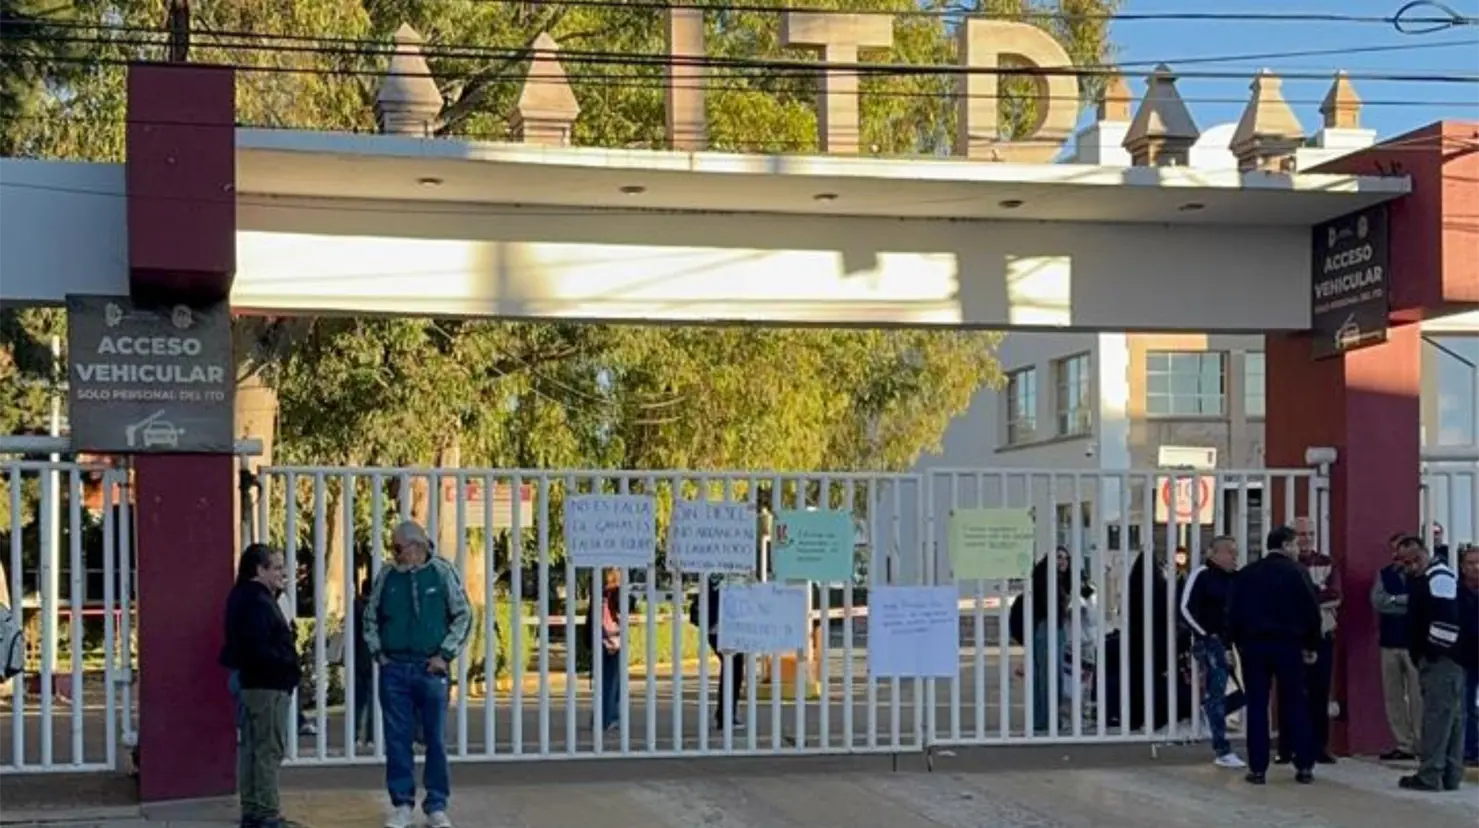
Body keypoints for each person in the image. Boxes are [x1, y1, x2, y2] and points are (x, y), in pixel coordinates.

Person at [364, 520, 472, 828]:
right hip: (395, 667)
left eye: (398, 548)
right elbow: (370, 616)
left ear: (417, 546)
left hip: (430, 668)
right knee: (397, 739)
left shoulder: (441, 572)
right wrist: (379, 654)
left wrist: (445, 653)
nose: (394, 554)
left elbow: (463, 614)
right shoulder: (387, 576)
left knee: (435, 738)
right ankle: (402, 803)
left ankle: (436, 804)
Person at [1226, 525, 1321, 786]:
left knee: (1257, 706)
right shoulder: (1297, 573)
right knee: (1296, 703)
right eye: (1295, 545)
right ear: (1287, 545)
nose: (1297, 549)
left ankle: (1258, 768)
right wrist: (1312, 645)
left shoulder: (1247, 575)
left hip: (1254, 647)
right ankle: (1303, 765)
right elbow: (1312, 611)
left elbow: (1232, 612)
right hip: (1289, 645)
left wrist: (1235, 643)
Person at [220, 544, 301, 828]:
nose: (283, 573)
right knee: (267, 749)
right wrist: (285, 668)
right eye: (277, 567)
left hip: (254, 684)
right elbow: (260, 647)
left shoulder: (242, 596)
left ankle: (253, 808)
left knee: (253, 748)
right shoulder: (257, 601)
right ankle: (266, 811)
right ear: (260, 569)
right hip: (267, 686)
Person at [1396, 535, 1466, 792]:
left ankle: (1430, 775)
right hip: (1448, 659)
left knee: (1437, 718)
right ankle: (1449, 774)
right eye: (1406, 562)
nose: (1412, 566)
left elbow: (1447, 618)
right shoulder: (1431, 577)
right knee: (1451, 718)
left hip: (1443, 661)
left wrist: (1432, 652)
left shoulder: (1439, 578)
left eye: (1415, 560)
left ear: (1425, 553)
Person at [1277, 516, 1339, 765]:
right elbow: (1283, 598)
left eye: (1310, 534)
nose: (1307, 539)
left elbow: (1335, 596)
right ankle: (1286, 746)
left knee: (1319, 692)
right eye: (1301, 534)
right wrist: (1316, 591)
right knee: (1288, 693)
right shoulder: (1283, 564)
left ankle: (1319, 746)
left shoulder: (1326, 562)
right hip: (1291, 638)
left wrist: (1306, 596)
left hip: (1323, 635)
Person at [1179, 535, 1244, 769]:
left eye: (1235, 551)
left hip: (1231, 643)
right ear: (1213, 553)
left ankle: (1213, 715)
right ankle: (1222, 748)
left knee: (1237, 691)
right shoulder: (1202, 574)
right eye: (1229, 551)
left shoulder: (1236, 579)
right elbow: (1185, 608)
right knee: (1218, 689)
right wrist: (1206, 635)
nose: (1234, 556)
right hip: (1210, 642)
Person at [1373, 530, 1421, 762]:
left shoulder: (1421, 574)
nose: (1396, 554)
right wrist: (1404, 602)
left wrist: (1395, 601)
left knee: (1417, 696)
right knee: (1393, 696)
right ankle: (1404, 743)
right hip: (1389, 642)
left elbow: (1420, 602)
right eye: (1393, 549)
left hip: (1413, 643)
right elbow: (1378, 601)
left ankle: (1421, 742)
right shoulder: (1385, 574)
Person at [1028, 547, 1073, 733]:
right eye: (1059, 558)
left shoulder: (1055, 580)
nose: (1063, 561)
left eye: (1066, 558)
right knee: (1050, 677)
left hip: (1049, 628)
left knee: (1044, 677)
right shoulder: (1048, 581)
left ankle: (1042, 720)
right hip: (1049, 628)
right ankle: (1050, 719)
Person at [696, 575, 746, 731]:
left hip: (726, 625)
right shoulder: (718, 573)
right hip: (719, 625)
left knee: (733, 667)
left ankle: (725, 714)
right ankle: (725, 715)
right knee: (733, 667)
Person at [586, 568, 624, 733]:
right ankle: (608, 718)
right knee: (611, 683)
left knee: (605, 683)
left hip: (599, 639)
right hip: (611, 641)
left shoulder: (598, 595)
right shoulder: (614, 594)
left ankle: (602, 717)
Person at [1458, 545, 1479, 767]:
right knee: (1465, 706)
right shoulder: (1457, 592)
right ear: (1463, 567)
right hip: (1465, 656)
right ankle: (1469, 749)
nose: (1476, 567)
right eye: (1471, 563)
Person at [352, 577, 375, 749]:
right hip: (373, 657)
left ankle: (354, 735)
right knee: (373, 699)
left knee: (358, 700)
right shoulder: (377, 607)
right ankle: (371, 737)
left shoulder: (356, 606)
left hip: (359, 658)